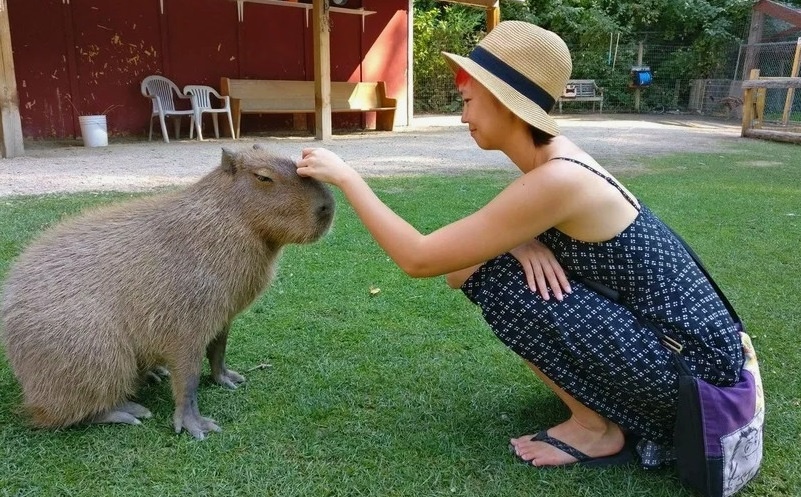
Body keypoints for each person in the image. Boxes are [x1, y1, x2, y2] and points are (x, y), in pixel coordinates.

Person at [295, 21, 743, 469]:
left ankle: (595, 430)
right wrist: (518, 242)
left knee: (499, 281)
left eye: (468, 101)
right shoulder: (558, 161)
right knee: (489, 270)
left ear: (506, 102)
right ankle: (599, 414)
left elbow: (420, 258)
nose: (463, 116)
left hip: (696, 380)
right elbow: (458, 271)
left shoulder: (558, 177)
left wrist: (347, 177)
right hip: (688, 358)